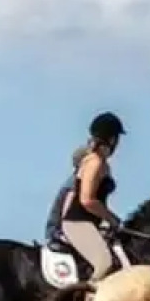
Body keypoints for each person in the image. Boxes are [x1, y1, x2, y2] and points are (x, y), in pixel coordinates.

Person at [45, 111, 125, 282]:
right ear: (111, 139)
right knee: (104, 263)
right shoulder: (94, 162)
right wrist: (111, 218)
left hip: (90, 223)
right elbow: (86, 200)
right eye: (117, 139)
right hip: (78, 222)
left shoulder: (102, 164)